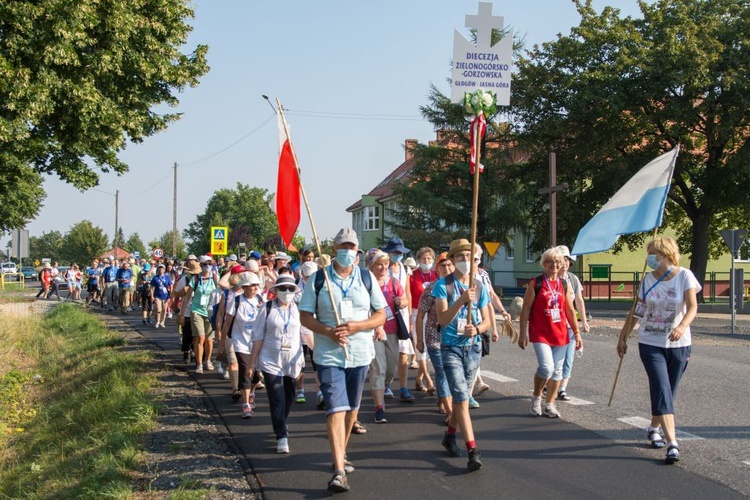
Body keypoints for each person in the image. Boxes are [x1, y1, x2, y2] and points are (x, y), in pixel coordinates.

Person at [299, 227, 386, 494]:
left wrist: (359, 325)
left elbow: (381, 315)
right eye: (342, 247)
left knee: (351, 410)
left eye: (351, 248)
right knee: (335, 409)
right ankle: (338, 471)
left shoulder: (366, 277)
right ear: (334, 250)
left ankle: (342, 450)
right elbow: (305, 316)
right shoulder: (318, 279)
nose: (347, 252)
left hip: (359, 353)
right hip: (328, 353)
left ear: (357, 252)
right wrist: (328, 331)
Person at [617, 236, 699, 464]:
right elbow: (637, 311)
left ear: (666, 254)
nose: (649, 258)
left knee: (668, 392)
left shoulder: (684, 276)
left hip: (679, 345)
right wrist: (623, 336)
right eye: (648, 254)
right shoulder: (647, 280)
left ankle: (654, 427)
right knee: (662, 388)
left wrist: (682, 327)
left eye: (653, 253)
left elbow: (693, 307)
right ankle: (672, 443)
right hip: (650, 343)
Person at [432, 238, 492, 472]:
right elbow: (443, 319)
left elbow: (487, 320)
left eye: (468, 257)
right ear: (453, 260)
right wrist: (461, 300)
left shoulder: (480, 285)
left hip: (473, 347)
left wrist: (476, 329)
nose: (465, 261)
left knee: (461, 398)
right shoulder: (442, 286)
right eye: (460, 257)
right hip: (451, 348)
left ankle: (449, 435)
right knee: (461, 397)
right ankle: (472, 450)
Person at [518, 247, 581, 419]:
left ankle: (550, 404)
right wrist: (522, 333)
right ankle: (537, 398)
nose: (554, 265)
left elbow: (569, 309)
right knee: (546, 367)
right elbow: (525, 309)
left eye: (558, 262)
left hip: (560, 332)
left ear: (562, 264)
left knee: (557, 371)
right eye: (550, 262)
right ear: (544, 264)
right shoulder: (536, 283)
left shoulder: (564, 284)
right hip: (540, 332)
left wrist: (576, 332)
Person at [250, 275, 305, 454]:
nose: (287, 292)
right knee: (277, 398)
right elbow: (258, 337)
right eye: (283, 288)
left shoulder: (297, 310)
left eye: (290, 289)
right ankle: (281, 435)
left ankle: (281, 422)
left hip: (292, 361)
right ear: (276, 291)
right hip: (270, 360)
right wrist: (252, 364)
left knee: (289, 397)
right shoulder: (266, 309)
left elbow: (306, 334)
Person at [368, 249, 408, 424]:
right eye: (379, 264)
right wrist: (376, 325)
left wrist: (401, 302)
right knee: (379, 368)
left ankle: (383, 387)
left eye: (386, 264)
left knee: (391, 368)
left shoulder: (393, 282)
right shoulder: (366, 282)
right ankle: (379, 409)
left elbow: (405, 299)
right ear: (371, 265)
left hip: (391, 329)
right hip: (372, 331)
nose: (383, 267)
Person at [416, 252, 454, 422]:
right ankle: (450, 411)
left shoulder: (460, 286)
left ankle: (442, 398)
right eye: (443, 265)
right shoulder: (431, 288)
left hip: (454, 337)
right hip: (434, 336)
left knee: (452, 373)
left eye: (449, 265)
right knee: (442, 371)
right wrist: (419, 340)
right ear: (437, 268)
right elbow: (420, 315)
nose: (446, 268)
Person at [223, 272, 264, 418]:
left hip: (257, 342)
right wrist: (222, 344)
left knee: (257, 375)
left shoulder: (261, 299)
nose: (255, 288)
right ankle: (245, 404)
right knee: (246, 370)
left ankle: (252, 391)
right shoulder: (236, 301)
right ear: (245, 287)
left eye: (256, 285)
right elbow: (227, 323)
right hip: (240, 341)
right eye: (252, 285)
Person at [382, 237, 415, 397]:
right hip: (385, 315)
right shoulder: (382, 268)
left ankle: (403, 388)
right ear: (388, 252)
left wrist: (408, 316)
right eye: (394, 252)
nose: (397, 255)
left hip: (401, 315)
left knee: (404, 355)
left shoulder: (404, 269)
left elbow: (407, 292)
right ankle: (386, 383)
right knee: (388, 354)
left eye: (400, 252)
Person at [557, 245, 590, 401]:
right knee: (555, 358)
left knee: (569, 356)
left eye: (567, 259)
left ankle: (562, 388)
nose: (565, 262)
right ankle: (549, 384)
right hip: (554, 325)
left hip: (570, 324)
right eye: (562, 259)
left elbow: (579, 300)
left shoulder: (573, 279)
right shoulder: (551, 277)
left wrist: (583, 321)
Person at [409, 247, 438, 395]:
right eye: (423, 259)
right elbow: (408, 296)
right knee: (421, 348)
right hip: (417, 314)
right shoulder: (412, 276)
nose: (426, 261)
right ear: (418, 260)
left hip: (433, 315)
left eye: (429, 259)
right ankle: (429, 380)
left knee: (431, 348)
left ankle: (419, 379)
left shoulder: (437, 275)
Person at [185, 256, 218, 374]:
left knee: (209, 339)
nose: (208, 266)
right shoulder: (195, 278)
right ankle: (199, 364)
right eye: (205, 264)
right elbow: (187, 296)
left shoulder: (214, 278)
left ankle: (208, 360)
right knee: (200, 337)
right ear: (201, 265)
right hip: (197, 311)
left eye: (210, 264)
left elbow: (219, 293)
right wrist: (182, 313)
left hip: (210, 311)